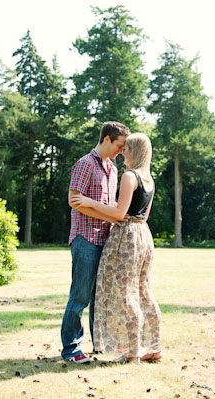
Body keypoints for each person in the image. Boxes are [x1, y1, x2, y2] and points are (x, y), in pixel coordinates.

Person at [69, 133, 161, 364]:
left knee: (126, 293)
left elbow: (120, 214)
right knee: (144, 291)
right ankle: (154, 347)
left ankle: (132, 353)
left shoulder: (129, 176)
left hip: (128, 236)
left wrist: (89, 202)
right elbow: (143, 215)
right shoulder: (149, 179)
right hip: (144, 235)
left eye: (126, 149)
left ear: (135, 151)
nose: (122, 154)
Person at [61, 121, 131, 363]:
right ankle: (71, 349)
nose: (121, 152)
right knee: (80, 295)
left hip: (105, 239)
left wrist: (118, 216)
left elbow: (106, 206)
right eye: (120, 146)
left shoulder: (112, 169)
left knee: (101, 297)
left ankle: (100, 344)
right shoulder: (85, 164)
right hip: (85, 239)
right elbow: (74, 200)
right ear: (107, 139)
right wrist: (111, 214)